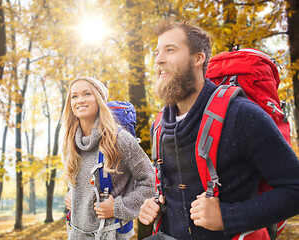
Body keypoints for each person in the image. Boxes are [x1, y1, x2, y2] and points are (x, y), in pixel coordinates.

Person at [139, 21, 299, 239]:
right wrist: (153, 204)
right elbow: (176, 195)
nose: (158, 60)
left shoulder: (241, 115)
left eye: (170, 50)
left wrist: (227, 216)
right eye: (157, 52)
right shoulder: (159, 126)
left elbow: (294, 189)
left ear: (198, 58)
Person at [63, 76, 154, 239]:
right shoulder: (71, 143)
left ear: (99, 100)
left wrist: (118, 207)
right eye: (74, 96)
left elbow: (151, 182)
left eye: (87, 94)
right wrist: (74, 197)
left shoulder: (120, 140)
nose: (80, 100)